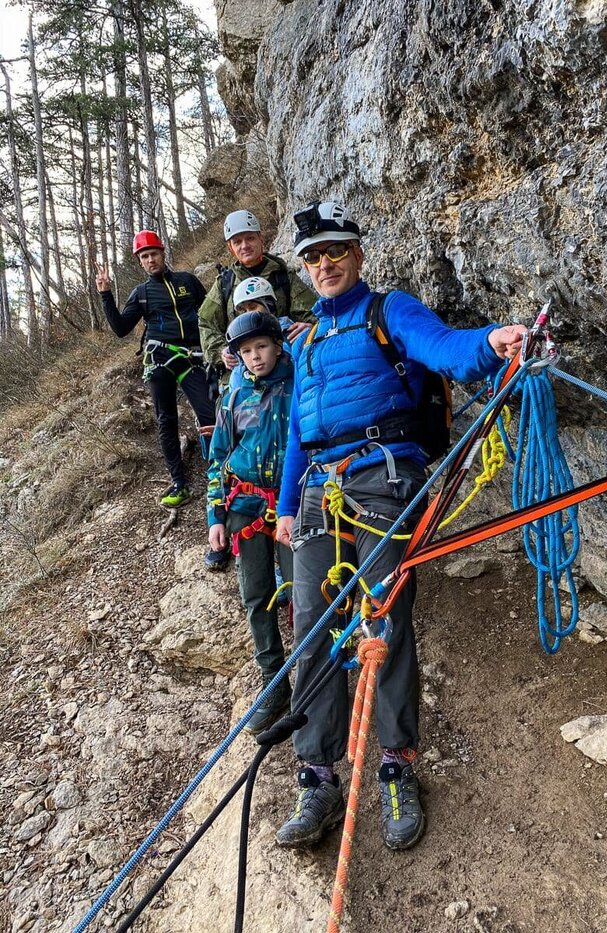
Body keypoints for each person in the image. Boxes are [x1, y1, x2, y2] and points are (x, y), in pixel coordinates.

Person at [274, 201, 527, 851]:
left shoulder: (389, 310)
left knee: (384, 620)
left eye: (335, 251)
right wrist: (285, 504)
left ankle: (395, 763)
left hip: (383, 477)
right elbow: (298, 432)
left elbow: (442, 347)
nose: (325, 263)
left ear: (358, 254)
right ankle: (318, 776)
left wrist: (490, 342)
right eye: (313, 256)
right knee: (312, 626)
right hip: (318, 489)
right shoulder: (305, 341)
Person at [206, 298, 295, 733]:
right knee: (257, 595)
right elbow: (218, 456)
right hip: (244, 505)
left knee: (304, 591)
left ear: (277, 345)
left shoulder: (299, 382)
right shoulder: (234, 394)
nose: (255, 357)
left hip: (293, 502)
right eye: (246, 351)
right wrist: (215, 515)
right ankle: (274, 681)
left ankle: (314, 672)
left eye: (261, 346)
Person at [95, 230, 216, 509]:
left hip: (192, 356)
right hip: (160, 359)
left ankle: (218, 472)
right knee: (166, 420)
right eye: (144, 257)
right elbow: (121, 329)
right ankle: (179, 483)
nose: (150, 260)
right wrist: (105, 294)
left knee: (210, 413)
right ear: (140, 261)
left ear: (163, 253)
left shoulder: (187, 281)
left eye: (153, 254)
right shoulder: (141, 293)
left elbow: (211, 311)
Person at [198, 209, 317, 386]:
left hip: (286, 371)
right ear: (231, 248)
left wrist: (311, 329)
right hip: (241, 377)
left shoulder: (283, 277)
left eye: (250, 238)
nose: (244, 245)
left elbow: (315, 314)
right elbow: (206, 323)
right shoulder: (225, 284)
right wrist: (220, 352)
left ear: (261, 239)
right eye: (237, 242)